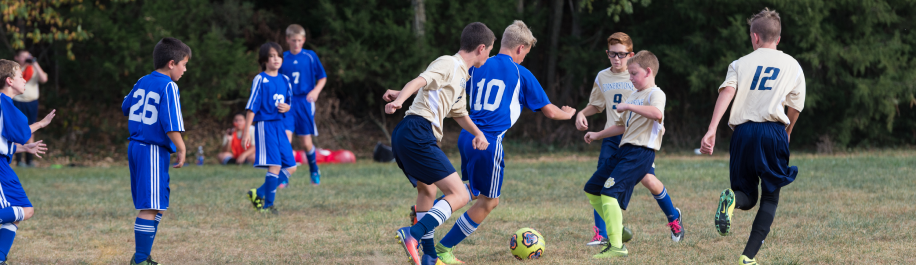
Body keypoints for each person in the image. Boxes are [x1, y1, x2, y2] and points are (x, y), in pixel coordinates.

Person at [432, 20, 576, 264]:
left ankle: (428, 212)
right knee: (490, 202)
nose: (524, 59)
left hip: (467, 135)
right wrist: (569, 114)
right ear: (520, 48)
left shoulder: (478, 63)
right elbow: (550, 111)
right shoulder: (521, 73)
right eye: (526, 54)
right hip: (487, 143)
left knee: (472, 191)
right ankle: (443, 248)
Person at [699, 8, 805, 265]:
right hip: (773, 132)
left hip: (743, 133)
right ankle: (748, 257)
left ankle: (733, 200)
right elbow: (796, 106)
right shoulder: (791, 64)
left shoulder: (740, 63)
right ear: (778, 38)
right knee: (770, 196)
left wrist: (712, 128)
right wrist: (787, 132)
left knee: (745, 193)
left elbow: (726, 93)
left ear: (755, 37)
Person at [382, 22, 494, 265]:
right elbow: (421, 80)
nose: (489, 56)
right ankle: (413, 234)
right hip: (417, 131)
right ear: (481, 48)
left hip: (408, 134)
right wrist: (401, 99)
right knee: (460, 193)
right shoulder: (449, 63)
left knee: (427, 190)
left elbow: (459, 113)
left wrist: (478, 133)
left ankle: (429, 257)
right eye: (489, 51)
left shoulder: (462, 76)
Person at [575, 32, 683, 246]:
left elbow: (656, 111)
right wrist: (585, 118)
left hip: (639, 143)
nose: (616, 59)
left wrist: (629, 106)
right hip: (615, 138)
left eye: (621, 55)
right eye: (611, 54)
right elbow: (601, 108)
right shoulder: (604, 77)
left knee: (649, 181)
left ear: (630, 55)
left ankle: (673, 217)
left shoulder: (643, 80)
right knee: (600, 182)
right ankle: (602, 232)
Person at [582, 50, 666, 259]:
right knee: (593, 188)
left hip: (640, 152)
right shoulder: (635, 95)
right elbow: (621, 127)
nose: (630, 78)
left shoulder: (655, 93)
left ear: (648, 71)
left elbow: (657, 114)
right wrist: (598, 134)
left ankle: (617, 246)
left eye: (634, 74)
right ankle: (617, 229)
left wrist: (629, 105)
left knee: (609, 194)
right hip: (624, 150)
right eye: (629, 74)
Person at [120, 37, 190, 265]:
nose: (185, 69)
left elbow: (125, 106)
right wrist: (181, 147)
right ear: (172, 63)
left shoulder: (142, 80)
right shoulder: (169, 86)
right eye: (184, 64)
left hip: (137, 147)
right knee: (150, 206)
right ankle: (140, 259)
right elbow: (171, 122)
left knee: (157, 204)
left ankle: (144, 255)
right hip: (151, 148)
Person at [0, 59, 54, 265]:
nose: (24, 79)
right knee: (23, 209)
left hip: (3, 164)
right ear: (9, 81)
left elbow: (6, 139)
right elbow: (21, 133)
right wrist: (41, 123)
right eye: (20, 76)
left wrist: (22, 147)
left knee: (19, 212)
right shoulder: (5, 103)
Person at [242, 42, 298, 215]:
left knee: (291, 166)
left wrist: (287, 107)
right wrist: (246, 131)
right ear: (264, 59)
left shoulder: (285, 80)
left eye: (279, 56)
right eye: (272, 56)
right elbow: (252, 106)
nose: (276, 59)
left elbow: (289, 102)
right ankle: (268, 206)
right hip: (265, 125)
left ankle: (258, 193)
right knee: (274, 165)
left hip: (280, 126)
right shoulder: (260, 79)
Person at [279, 24, 327, 186]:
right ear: (287, 40)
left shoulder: (310, 56)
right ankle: (284, 174)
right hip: (288, 104)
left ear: (304, 40)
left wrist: (316, 92)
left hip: (305, 103)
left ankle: (314, 169)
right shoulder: (282, 58)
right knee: (286, 138)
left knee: (306, 143)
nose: (296, 43)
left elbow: (322, 77)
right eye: (293, 40)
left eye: (299, 40)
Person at [11, 50, 48, 168]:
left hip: (32, 103)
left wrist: (34, 63)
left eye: (28, 57)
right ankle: (19, 161)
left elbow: (44, 79)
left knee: (31, 130)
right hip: (17, 102)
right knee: (17, 131)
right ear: (17, 57)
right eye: (23, 57)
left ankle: (29, 160)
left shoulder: (33, 69)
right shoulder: (14, 70)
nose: (26, 58)